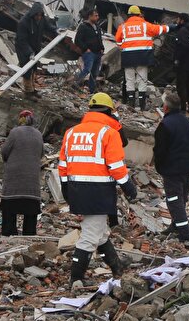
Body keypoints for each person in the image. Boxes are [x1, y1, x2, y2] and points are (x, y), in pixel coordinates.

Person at [58, 93, 137, 288]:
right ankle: (76, 277)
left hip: (77, 189)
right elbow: (116, 166)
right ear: (110, 111)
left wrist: (66, 188)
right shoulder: (109, 133)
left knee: (100, 234)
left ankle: (116, 267)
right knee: (90, 236)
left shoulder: (71, 132)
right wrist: (128, 187)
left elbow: (63, 164)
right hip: (98, 191)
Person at [153, 91, 189, 242]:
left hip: (172, 170)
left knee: (174, 200)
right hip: (187, 168)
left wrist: (160, 167)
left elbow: (159, 150)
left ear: (165, 108)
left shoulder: (165, 125)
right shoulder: (188, 123)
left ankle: (184, 233)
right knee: (181, 199)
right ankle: (175, 226)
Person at [115, 5, 169, 111]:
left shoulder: (123, 27)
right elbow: (159, 30)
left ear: (129, 15)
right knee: (142, 80)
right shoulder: (145, 25)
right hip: (143, 57)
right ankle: (141, 105)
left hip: (128, 57)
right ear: (139, 14)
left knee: (129, 80)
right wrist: (171, 26)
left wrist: (125, 45)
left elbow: (118, 41)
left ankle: (131, 103)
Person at [0, 110, 44, 236]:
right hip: (32, 179)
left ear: (20, 119)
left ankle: (9, 232)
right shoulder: (38, 134)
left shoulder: (15, 132)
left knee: (10, 208)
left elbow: (4, 151)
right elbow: (42, 153)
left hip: (14, 178)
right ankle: (29, 234)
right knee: (30, 210)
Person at [15, 2, 54, 96]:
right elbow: (21, 40)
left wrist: (57, 31)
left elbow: (49, 27)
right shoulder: (24, 22)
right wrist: (29, 52)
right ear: (33, 14)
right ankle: (28, 91)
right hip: (23, 48)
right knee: (27, 69)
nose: (39, 17)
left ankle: (32, 88)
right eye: (37, 15)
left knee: (33, 68)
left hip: (35, 46)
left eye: (40, 15)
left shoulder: (42, 19)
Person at [73, 7, 104, 94]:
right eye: (95, 16)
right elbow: (77, 40)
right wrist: (86, 49)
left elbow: (99, 39)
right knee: (87, 69)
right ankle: (76, 83)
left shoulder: (97, 27)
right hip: (89, 53)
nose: (97, 17)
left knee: (95, 72)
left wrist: (102, 48)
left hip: (98, 53)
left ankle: (92, 90)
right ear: (90, 16)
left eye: (98, 16)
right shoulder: (83, 27)